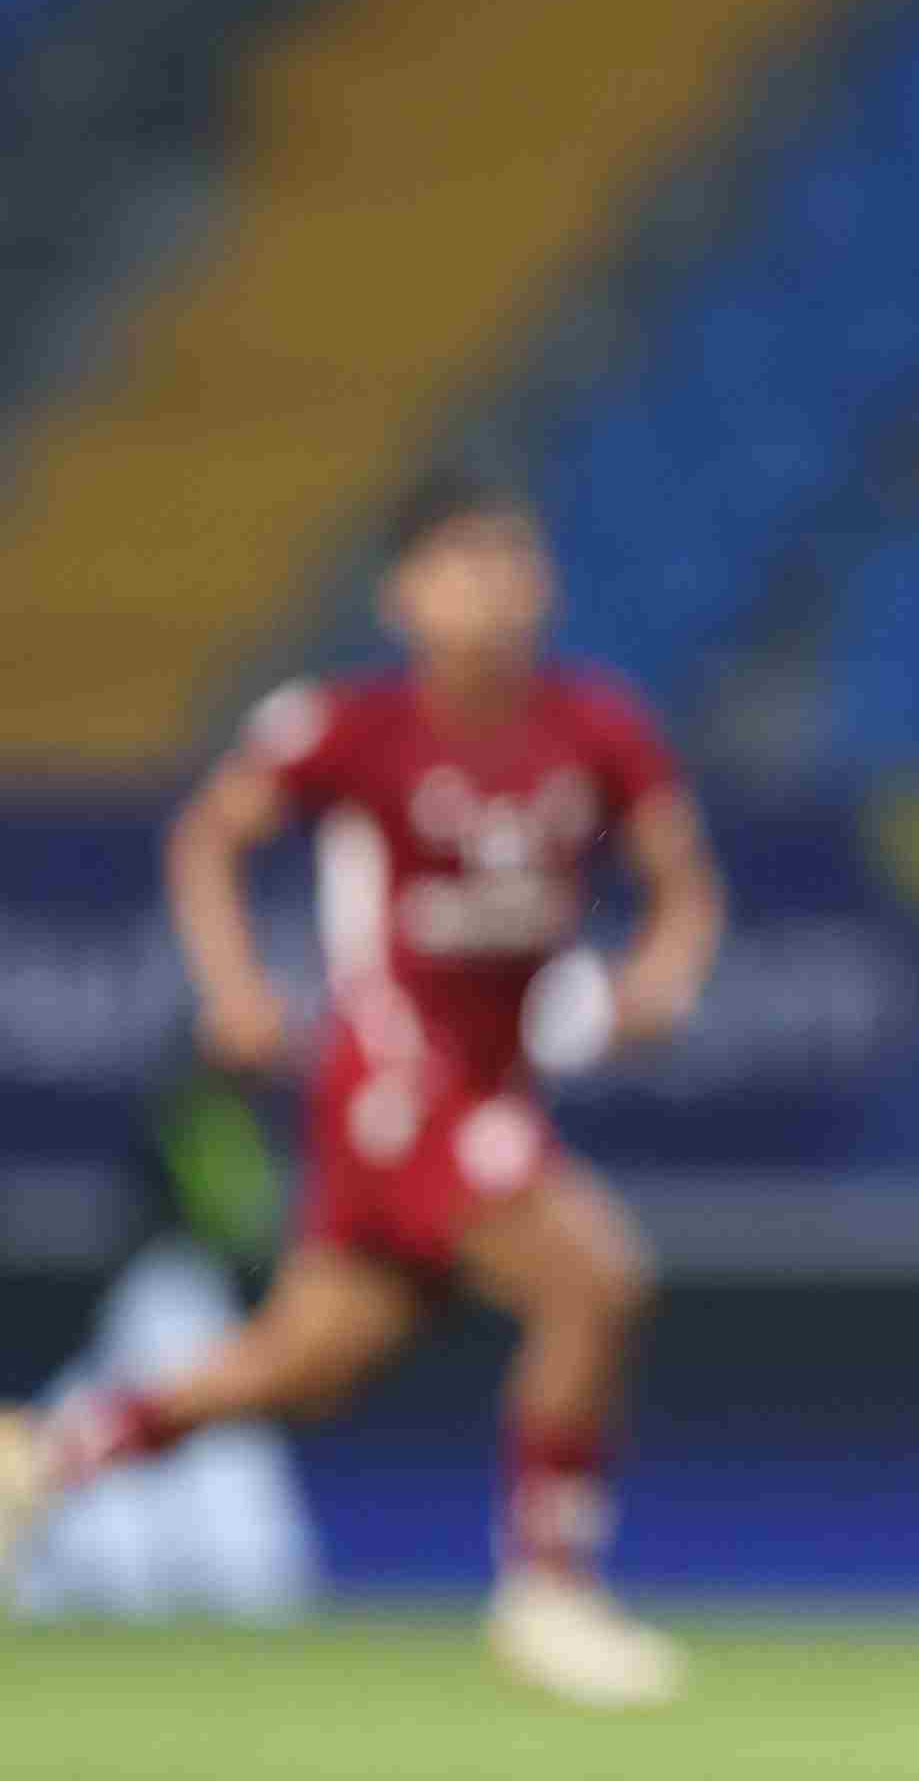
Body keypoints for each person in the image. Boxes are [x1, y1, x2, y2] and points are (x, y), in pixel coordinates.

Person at [0, 471, 727, 1707]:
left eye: (508, 560)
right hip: (396, 1084)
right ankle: (550, 1591)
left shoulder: (597, 731)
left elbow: (683, 883)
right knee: (595, 1279)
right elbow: (208, 838)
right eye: (457, 564)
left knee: (304, 1364)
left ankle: (44, 1454)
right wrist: (233, 989)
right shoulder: (352, 730)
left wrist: (660, 978)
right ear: (402, 595)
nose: (488, 588)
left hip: (495, 1091)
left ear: (543, 581)